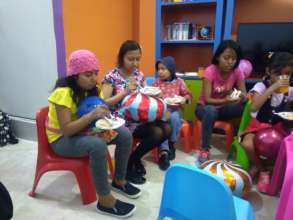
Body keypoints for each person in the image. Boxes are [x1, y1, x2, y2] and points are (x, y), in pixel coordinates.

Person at [46, 49, 140, 218]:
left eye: (95, 74)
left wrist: (104, 115)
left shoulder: (92, 89)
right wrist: (92, 115)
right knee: (97, 146)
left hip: (84, 130)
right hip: (61, 140)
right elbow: (67, 130)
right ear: (75, 75)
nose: (93, 79)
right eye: (88, 75)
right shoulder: (63, 94)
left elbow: (99, 106)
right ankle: (104, 200)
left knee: (124, 133)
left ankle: (119, 180)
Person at [102, 40, 171, 184]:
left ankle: (133, 159)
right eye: (130, 59)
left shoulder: (139, 74)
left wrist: (156, 94)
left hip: (140, 117)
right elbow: (104, 103)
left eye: (137, 59)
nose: (135, 63)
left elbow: (146, 92)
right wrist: (125, 92)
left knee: (167, 128)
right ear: (122, 58)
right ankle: (128, 165)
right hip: (121, 121)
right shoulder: (112, 76)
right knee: (157, 132)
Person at [240, 52, 293, 193]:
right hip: (257, 126)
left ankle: (274, 170)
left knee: (286, 146)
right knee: (246, 144)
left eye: (287, 74)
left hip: (278, 128)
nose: (282, 78)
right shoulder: (260, 86)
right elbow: (254, 107)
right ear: (269, 71)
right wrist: (271, 89)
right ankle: (262, 168)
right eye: (277, 74)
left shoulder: (289, 90)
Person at [195, 40, 247, 163]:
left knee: (245, 107)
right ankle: (205, 149)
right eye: (226, 58)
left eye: (234, 59)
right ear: (218, 56)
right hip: (204, 108)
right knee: (210, 110)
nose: (230, 62)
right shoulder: (210, 71)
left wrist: (241, 97)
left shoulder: (237, 71)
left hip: (223, 108)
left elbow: (244, 93)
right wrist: (226, 99)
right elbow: (207, 100)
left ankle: (240, 141)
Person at [153, 56, 192, 170]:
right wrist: (155, 96)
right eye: (158, 69)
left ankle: (171, 143)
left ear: (171, 69)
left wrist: (184, 99)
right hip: (161, 111)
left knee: (174, 118)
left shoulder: (179, 82)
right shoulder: (157, 83)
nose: (160, 72)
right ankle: (164, 152)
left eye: (163, 69)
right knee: (162, 122)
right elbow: (151, 97)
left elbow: (188, 96)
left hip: (175, 110)